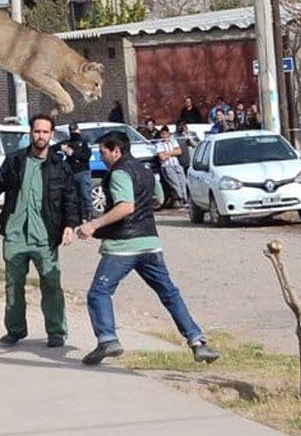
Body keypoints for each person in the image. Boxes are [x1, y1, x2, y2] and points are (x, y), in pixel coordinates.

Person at [75, 131, 218, 365]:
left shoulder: (119, 172)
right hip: (150, 244)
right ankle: (197, 341)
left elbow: (125, 206)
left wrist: (94, 225)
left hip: (123, 246)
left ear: (116, 151)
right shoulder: (144, 171)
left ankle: (107, 339)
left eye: (103, 153)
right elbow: (158, 199)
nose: (101, 158)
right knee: (169, 293)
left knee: (99, 293)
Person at [0, 114, 81, 348]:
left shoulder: (59, 166)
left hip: (45, 236)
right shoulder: (15, 161)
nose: (40, 136)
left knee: (51, 283)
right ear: (30, 133)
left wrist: (70, 225)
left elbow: (70, 199)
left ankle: (56, 331)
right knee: (13, 284)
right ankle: (15, 329)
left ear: (52, 135)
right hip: (16, 234)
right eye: (36, 131)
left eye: (45, 132)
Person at [59, 122, 94, 220]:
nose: (73, 133)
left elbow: (86, 156)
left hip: (83, 172)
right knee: (74, 196)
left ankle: (88, 213)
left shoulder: (84, 142)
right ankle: (79, 214)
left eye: (74, 130)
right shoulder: (68, 142)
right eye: (71, 130)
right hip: (71, 172)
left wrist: (73, 153)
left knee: (85, 194)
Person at [155, 126, 188, 207]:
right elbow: (162, 157)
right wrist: (172, 152)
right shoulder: (159, 144)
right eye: (162, 134)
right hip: (167, 166)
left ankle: (185, 199)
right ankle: (181, 199)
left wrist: (167, 153)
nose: (164, 136)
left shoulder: (173, 141)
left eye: (166, 134)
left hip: (176, 165)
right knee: (175, 183)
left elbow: (179, 151)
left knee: (183, 182)